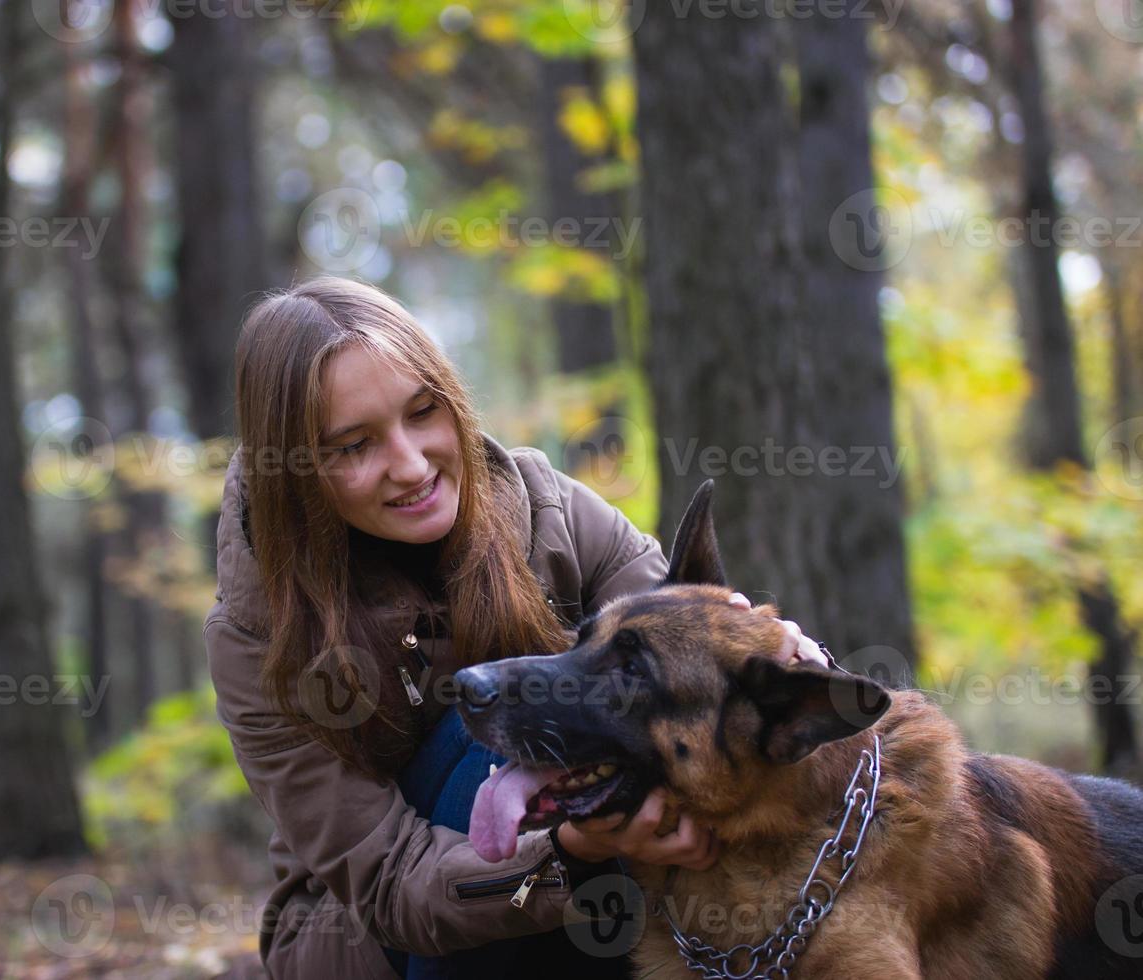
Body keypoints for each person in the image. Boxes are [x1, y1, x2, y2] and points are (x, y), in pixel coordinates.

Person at [204, 276, 826, 979]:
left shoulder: (543, 505)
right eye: (354, 446)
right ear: (295, 471)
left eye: (422, 412)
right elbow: (391, 884)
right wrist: (569, 849)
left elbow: (684, 659)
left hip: (587, 881)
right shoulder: (256, 634)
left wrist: (779, 655)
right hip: (372, 940)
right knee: (504, 722)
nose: (410, 465)